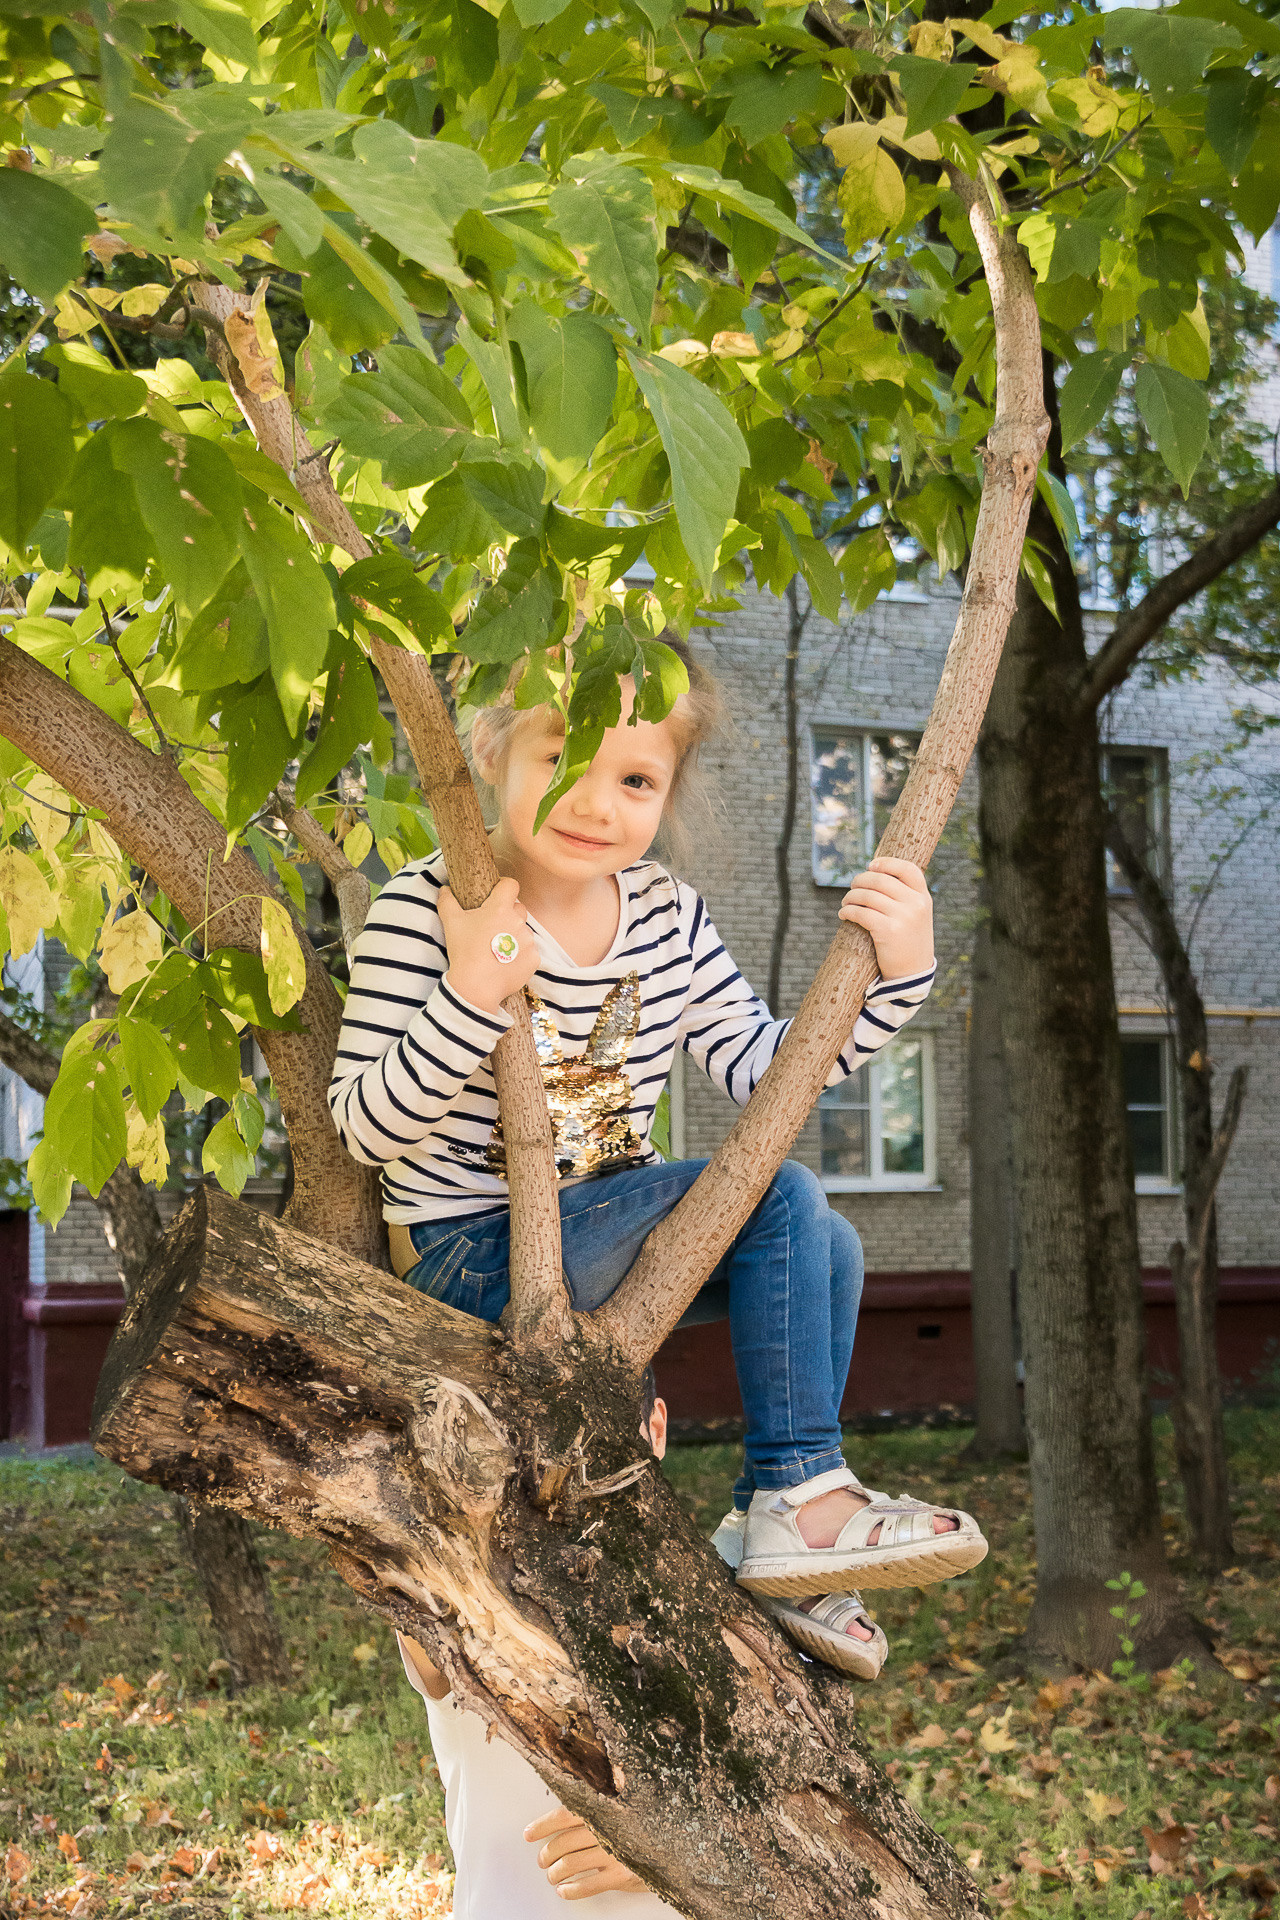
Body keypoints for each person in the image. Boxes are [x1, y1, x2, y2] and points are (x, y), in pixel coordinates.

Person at [328, 635, 987, 1678]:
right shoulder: (428, 905)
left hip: (600, 1231)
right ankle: (800, 1496)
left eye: (634, 778)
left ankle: (773, 1539)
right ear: (494, 748)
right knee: (784, 1200)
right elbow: (362, 1129)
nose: (597, 803)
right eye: (562, 757)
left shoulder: (667, 920)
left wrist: (899, 982)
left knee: (831, 1248)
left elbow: (768, 1076)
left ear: (668, 788)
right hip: (465, 1256)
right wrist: (468, 994)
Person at [395, 1376, 685, 1914]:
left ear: (656, 1430)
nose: (570, 1466)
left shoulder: (732, 1609)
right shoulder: (463, 1593)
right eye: (537, 1438)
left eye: (596, 1433)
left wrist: (677, 1851)